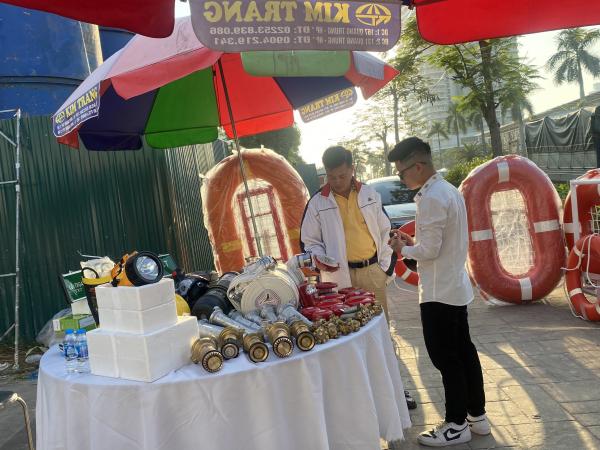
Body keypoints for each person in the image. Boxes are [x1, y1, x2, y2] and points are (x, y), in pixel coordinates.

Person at [388, 137, 489, 446]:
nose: (401, 178)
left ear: (418, 166)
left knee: (446, 358)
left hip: (438, 292)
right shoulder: (448, 190)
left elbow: (430, 251)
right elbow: (439, 244)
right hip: (453, 286)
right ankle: (477, 416)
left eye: (402, 172)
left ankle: (456, 423)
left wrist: (402, 249)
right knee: (464, 352)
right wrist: (412, 244)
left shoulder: (432, 197)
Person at [300, 145, 417, 410]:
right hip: (337, 280)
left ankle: (395, 391)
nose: (337, 181)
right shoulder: (317, 203)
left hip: (372, 273)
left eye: (342, 175)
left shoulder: (370, 195)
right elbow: (308, 242)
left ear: (352, 169)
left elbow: (386, 232)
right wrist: (318, 258)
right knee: (346, 335)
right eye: (332, 177)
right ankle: (357, 396)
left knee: (380, 333)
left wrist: (385, 268)